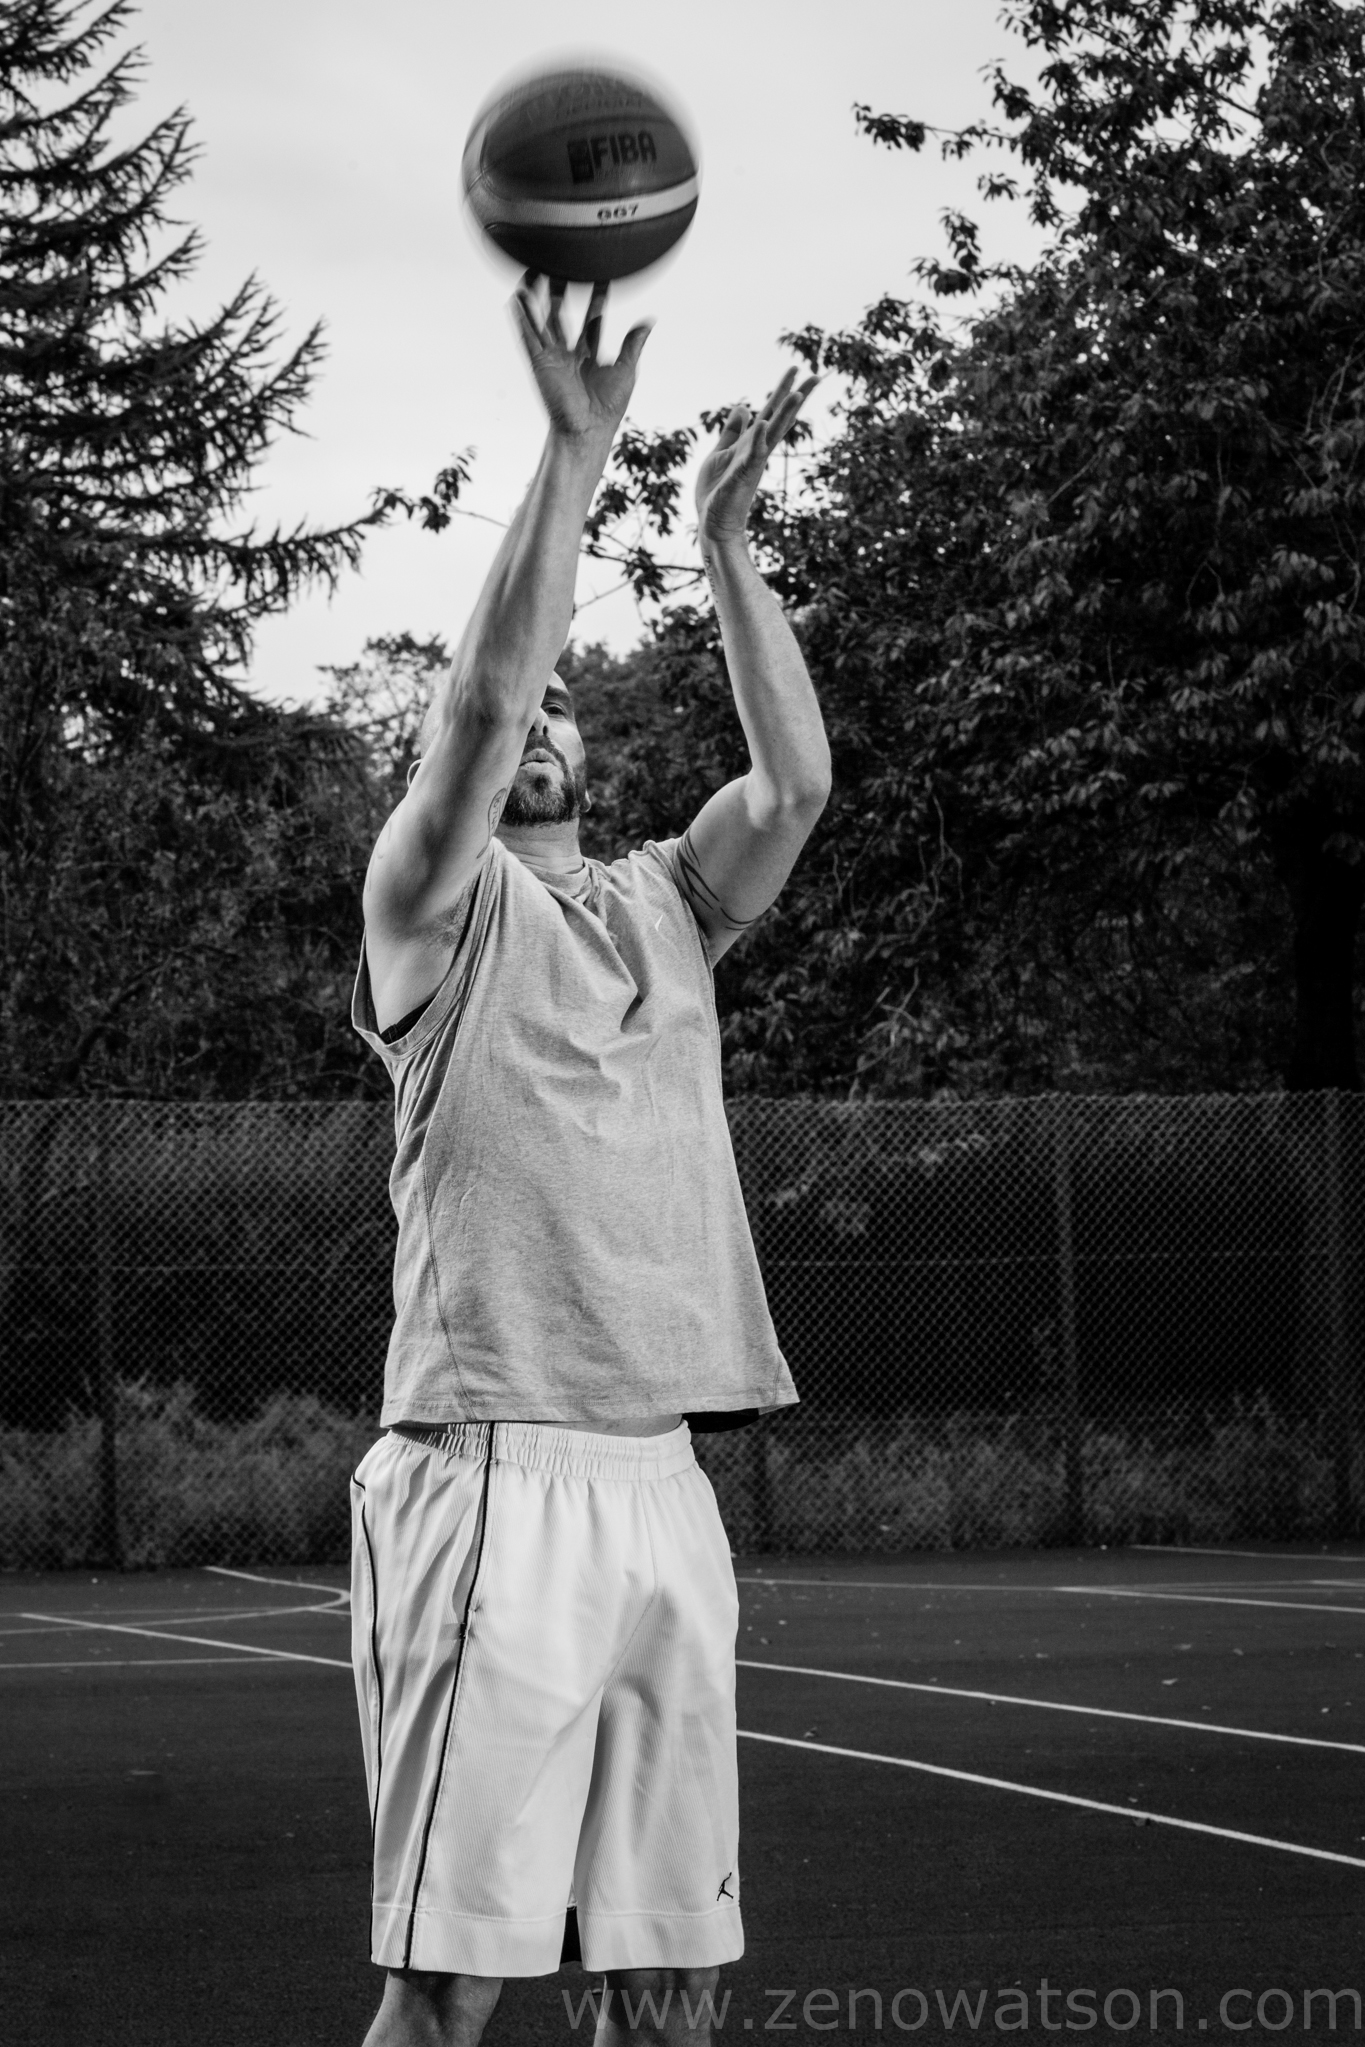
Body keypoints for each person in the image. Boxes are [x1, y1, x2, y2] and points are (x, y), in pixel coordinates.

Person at [349, 273, 831, 2047]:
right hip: (494, 1470)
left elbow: (793, 788)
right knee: (450, 1992)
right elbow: (477, 707)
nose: (534, 716)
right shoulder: (431, 908)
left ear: (593, 751)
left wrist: (725, 547)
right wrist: (574, 454)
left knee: (672, 1988)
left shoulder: (662, 908)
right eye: (512, 705)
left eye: (565, 704)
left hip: (661, 1484)